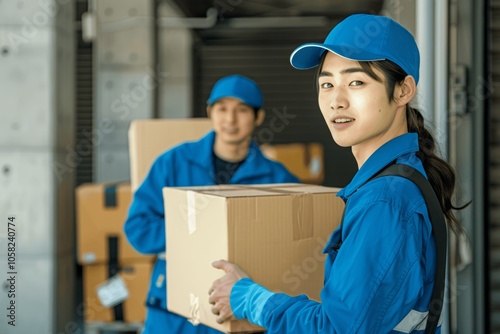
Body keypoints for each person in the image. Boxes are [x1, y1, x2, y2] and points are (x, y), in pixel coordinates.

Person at [208, 14, 467, 333]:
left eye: (356, 82)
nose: (336, 101)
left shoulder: (385, 201)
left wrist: (254, 301)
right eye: (327, 84)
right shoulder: (392, 183)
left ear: (403, 91)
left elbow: (337, 328)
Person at [124, 74, 300, 334]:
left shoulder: (277, 179)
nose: (230, 119)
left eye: (241, 110)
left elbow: (293, 243)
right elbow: (138, 228)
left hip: (236, 311)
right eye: (222, 109)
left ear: (258, 117)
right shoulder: (173, 163)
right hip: (173, 311)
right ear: (210, 112)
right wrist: (198, 234)